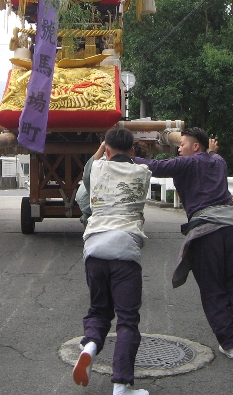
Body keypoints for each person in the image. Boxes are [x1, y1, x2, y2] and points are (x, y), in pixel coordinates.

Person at [132, 127, 233, 360]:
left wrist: (122, 158)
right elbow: (208, 155)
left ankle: (230, 344)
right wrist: (209, 150)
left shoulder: (186, 163)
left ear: (195, 147)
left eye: (182, 144)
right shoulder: (218, 161)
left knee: (213, 288)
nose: (178, 149)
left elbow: (154, 167)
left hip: (206, 232)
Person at [73, 128, 152, 395]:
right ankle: (121, 384)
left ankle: (90, 346)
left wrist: (102, 148)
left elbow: (86, 176)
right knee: (127, 319)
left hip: (94, 248)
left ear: (106, 150)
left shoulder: (96, 168)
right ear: (132, 150)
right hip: (125, 249)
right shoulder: (142, 172)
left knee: (98, 310)